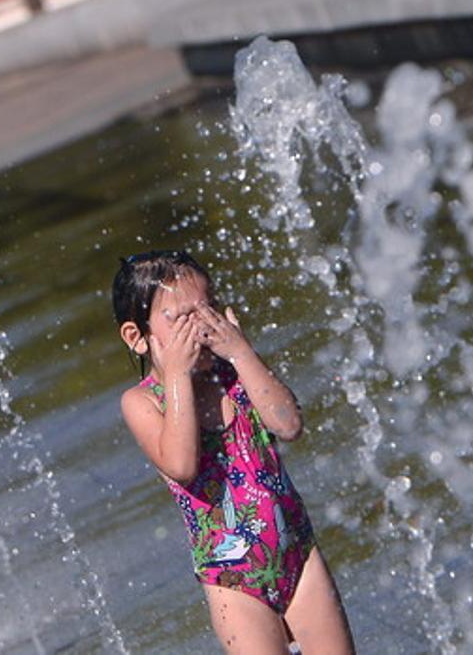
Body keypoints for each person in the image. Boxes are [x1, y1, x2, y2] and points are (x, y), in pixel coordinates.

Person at [112, 250, 356, 654]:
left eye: (206, 309)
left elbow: (288, 425)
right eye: (180, 318)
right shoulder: (144, 403)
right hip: (233, 582)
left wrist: (242, 352)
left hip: (297, 552)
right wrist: (176, 375)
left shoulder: (236, 374)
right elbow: (182, 464)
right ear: (138, 337)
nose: (200, 327)